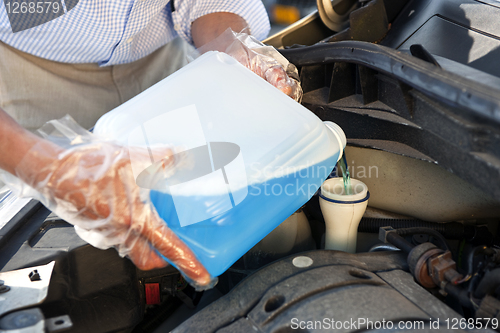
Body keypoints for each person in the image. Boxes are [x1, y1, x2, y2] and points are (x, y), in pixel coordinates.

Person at [0, 0, 300, 287]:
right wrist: (44, 165)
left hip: (158, 63)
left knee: (180, 212)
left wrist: (232, 52)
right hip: (29, 74)